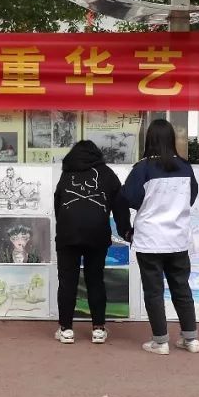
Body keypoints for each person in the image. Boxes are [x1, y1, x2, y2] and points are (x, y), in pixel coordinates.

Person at [122, 119, 199, 355]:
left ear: (150, 140)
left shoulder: (142, 168)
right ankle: (191, 339)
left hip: (150, 240)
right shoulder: (185, 168)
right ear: (171, 140)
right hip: (177, 239)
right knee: (181, 287)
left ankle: (160, 341)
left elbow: (129, 198)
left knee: (154, 291)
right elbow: (192, 197)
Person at [53, 139, 131, 345]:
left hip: (68, 234)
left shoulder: (67, 173)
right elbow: (120, 202)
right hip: (97, 234)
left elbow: (58, 202)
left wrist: (63, 226)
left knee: (67, 281)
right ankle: (98, 328)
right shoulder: (106, 173)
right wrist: (125, 230)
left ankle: (66, 329)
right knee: (95, 279)